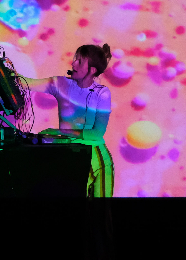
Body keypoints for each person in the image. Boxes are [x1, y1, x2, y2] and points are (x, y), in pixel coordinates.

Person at [20, 43, 115, 198]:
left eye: (80, 61)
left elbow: (97, 133)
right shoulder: (59, 83)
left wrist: (58, 132)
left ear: (92, 70)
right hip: (69, 154)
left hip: (96, 159)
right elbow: (25, 83)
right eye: (75, 59)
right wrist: (2, 70)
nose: (73, 63)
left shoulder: (102, 93)